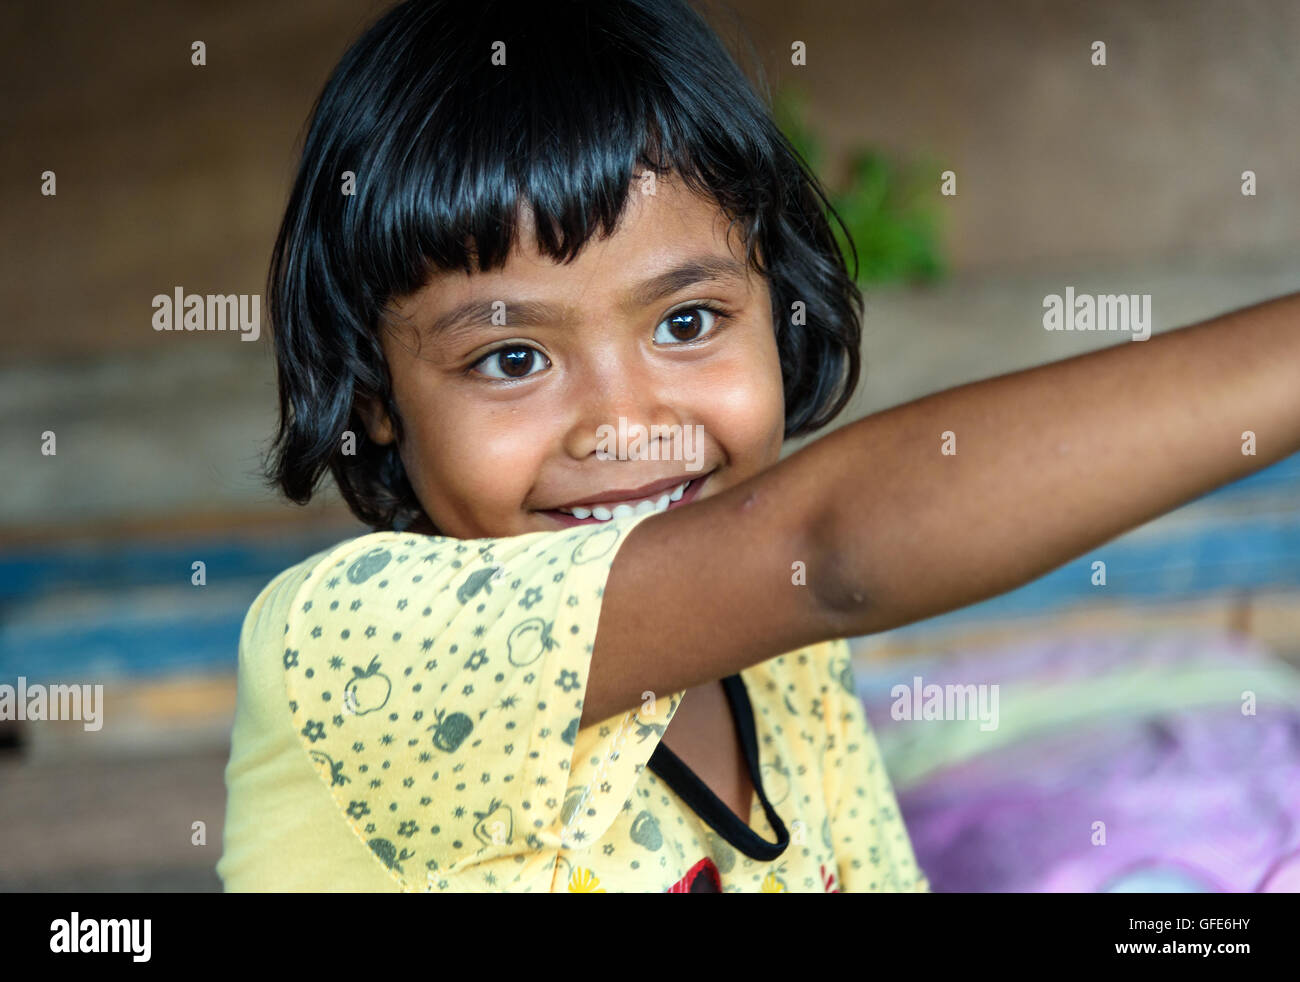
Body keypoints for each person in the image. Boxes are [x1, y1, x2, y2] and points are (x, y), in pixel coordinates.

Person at [216, 0, 1300, 892]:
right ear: (372, 395)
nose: (624, 421)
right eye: (510, 359)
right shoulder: (351, 643)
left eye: (686, 323)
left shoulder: (780, 662)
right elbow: (833, 548)